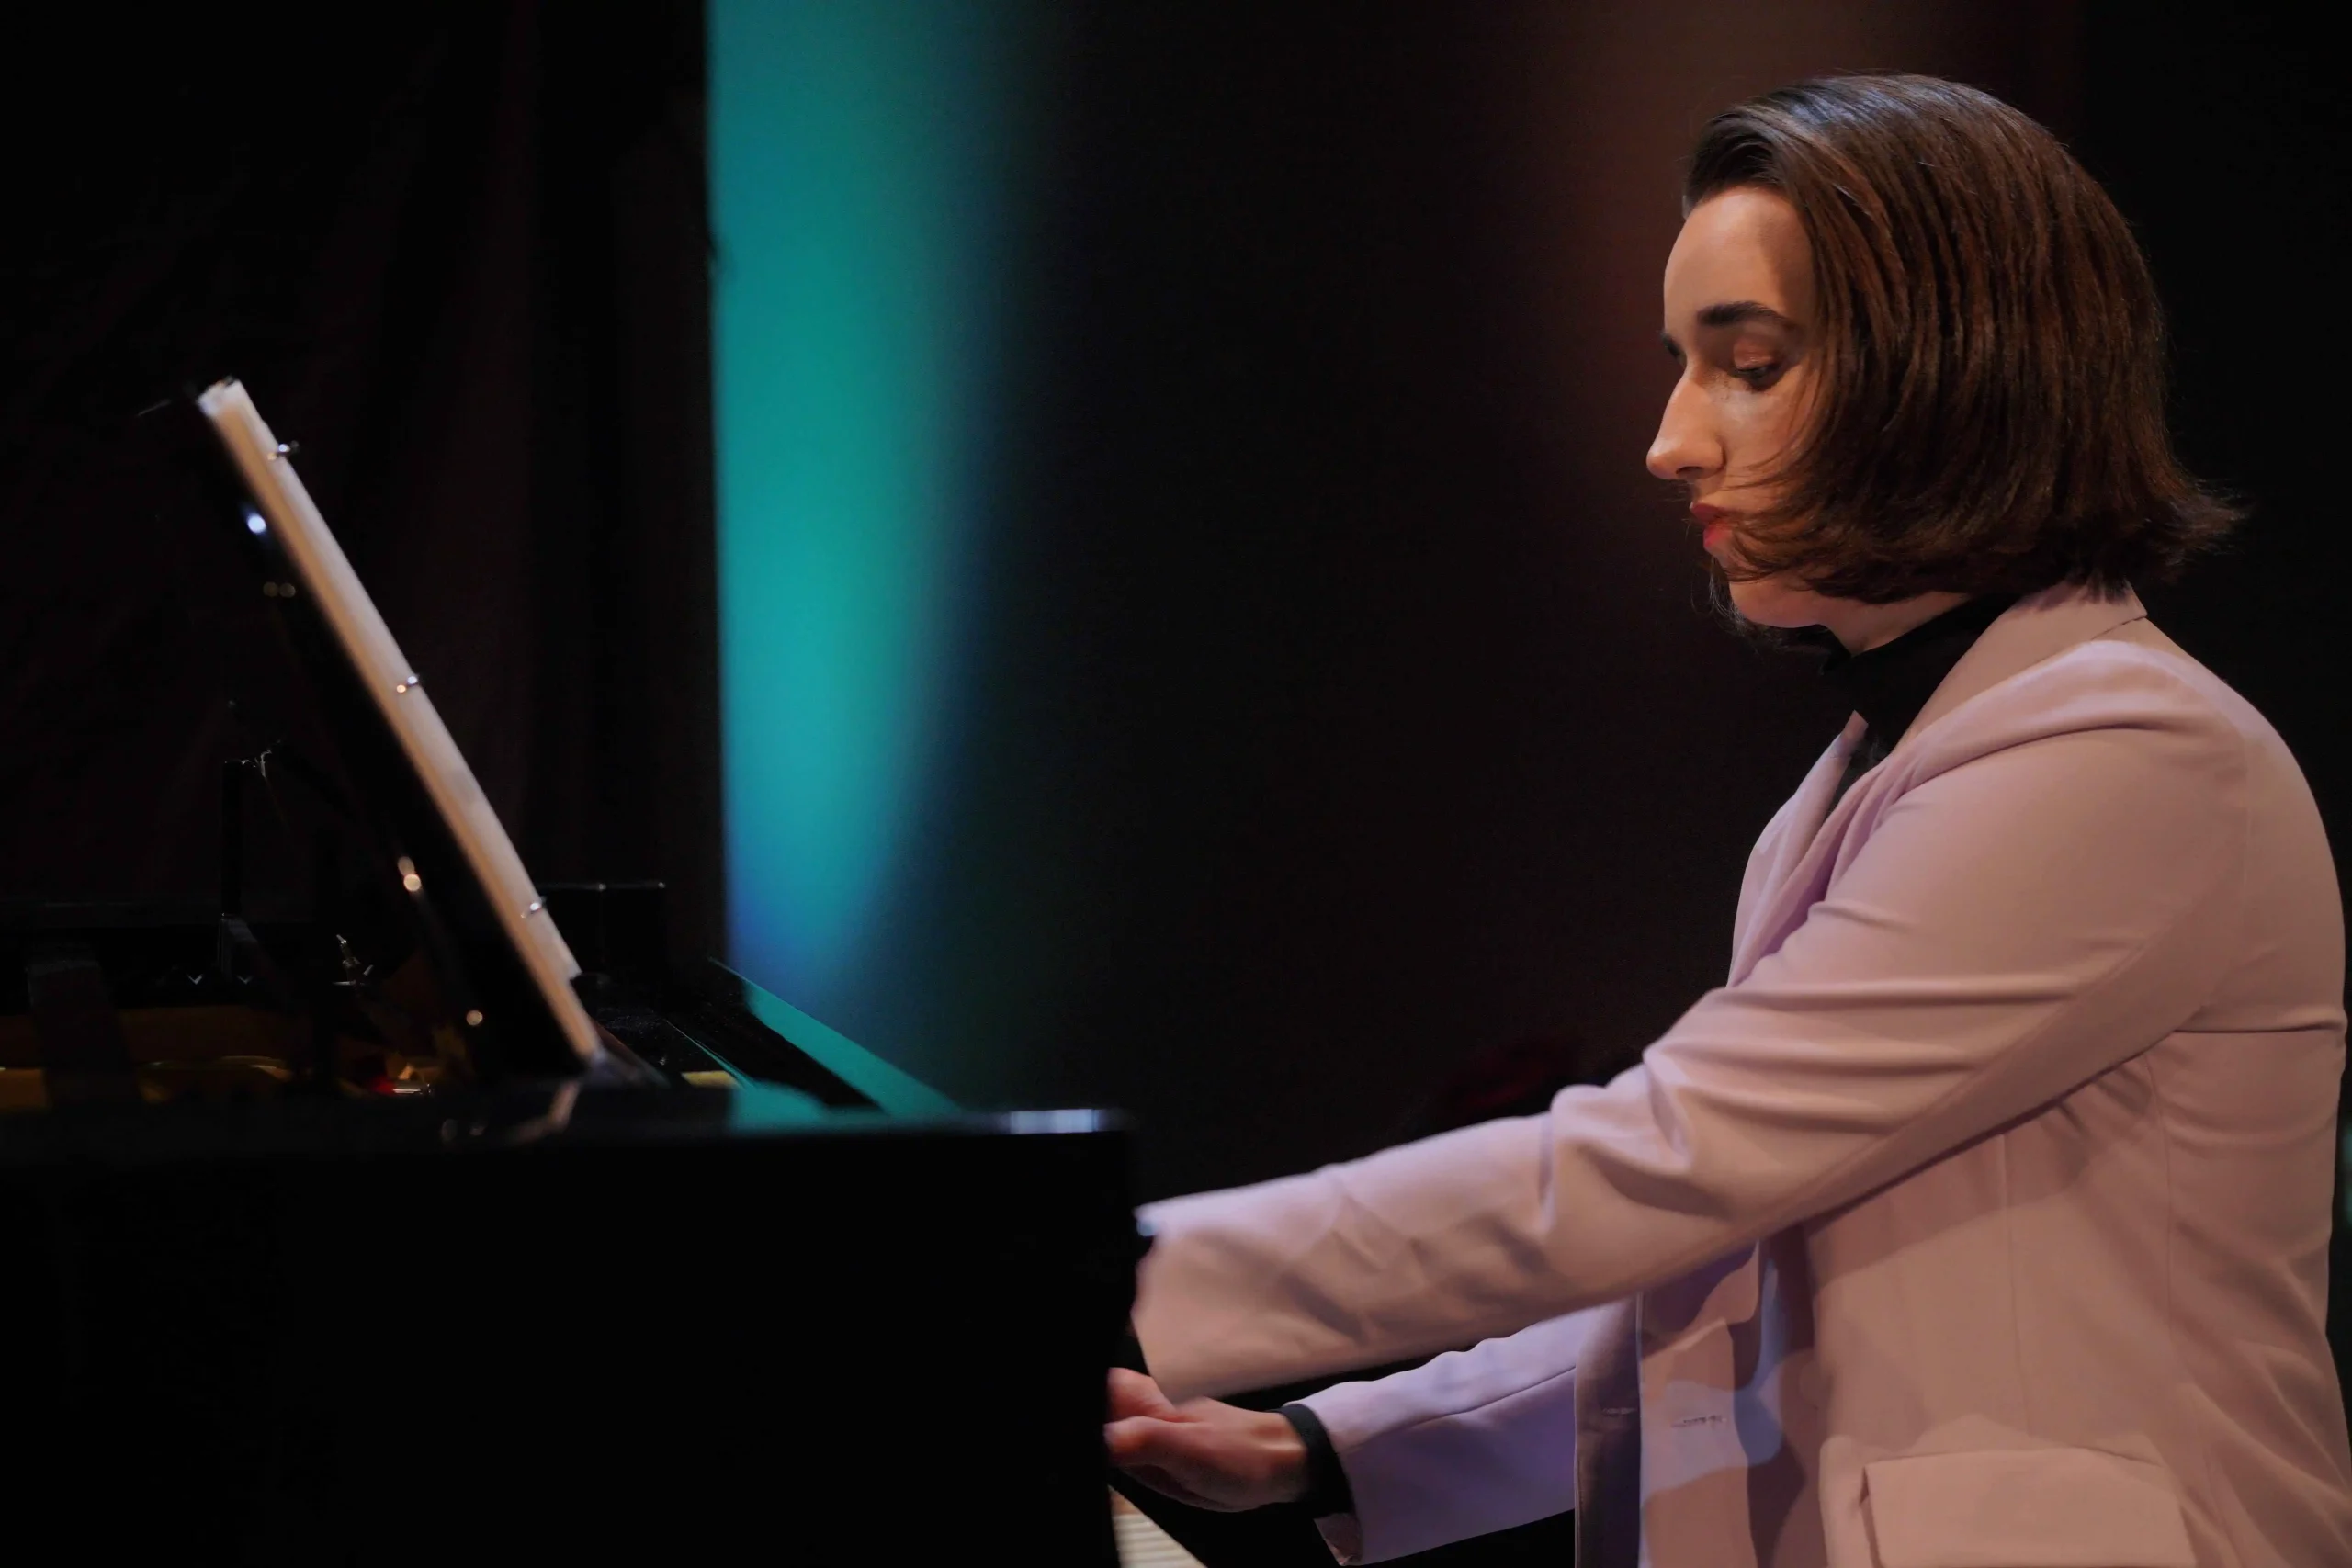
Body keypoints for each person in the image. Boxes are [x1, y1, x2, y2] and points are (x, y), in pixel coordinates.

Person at [1105, 73, 2352, 1568]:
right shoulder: (1895, 761)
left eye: (1747, 364)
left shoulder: (2128, 757)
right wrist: (1325, 1447)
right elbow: (1729, 1283)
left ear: (1953, 370)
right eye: (1684, 366)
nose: (1670, 441)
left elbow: (1655, 1164)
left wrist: (1103, 1271)